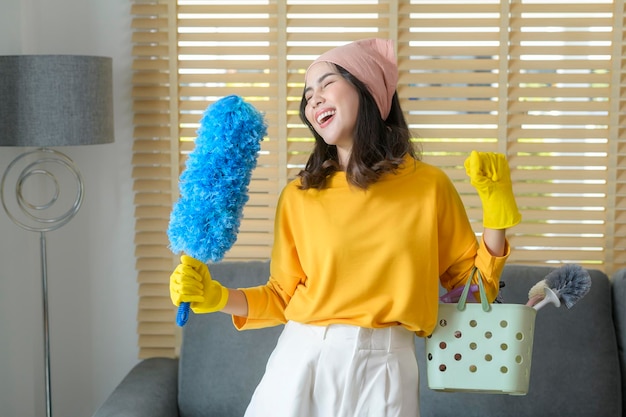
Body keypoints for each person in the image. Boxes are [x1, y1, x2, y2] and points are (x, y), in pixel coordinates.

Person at [169, 38, 521, 417]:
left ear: (367, 89)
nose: (314, 99)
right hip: (302, 361)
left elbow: (472, 291)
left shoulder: (429, 187)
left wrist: (496, 220)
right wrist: (217, 296)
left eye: (326, 83)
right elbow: (282, 298)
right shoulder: (300, 195)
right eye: (307, 95)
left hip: (388, 371)